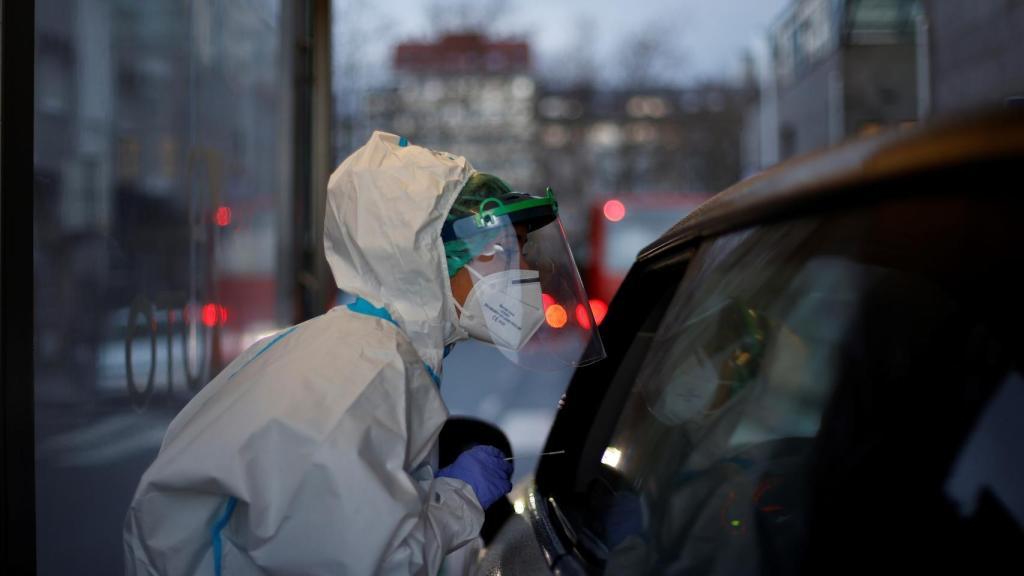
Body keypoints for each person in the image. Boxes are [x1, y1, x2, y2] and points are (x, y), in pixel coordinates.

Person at [123, 131, 604, 575]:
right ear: (428, 256)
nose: (525, 273)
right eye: (503, 251)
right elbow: (378, 565)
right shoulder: (361, 376)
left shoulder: (370, 351)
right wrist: (461, 497)